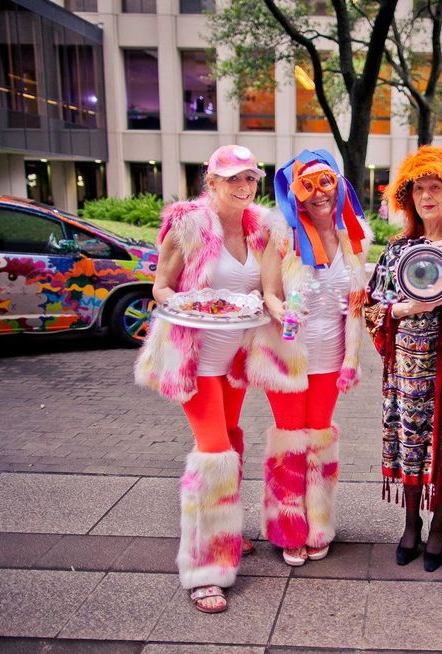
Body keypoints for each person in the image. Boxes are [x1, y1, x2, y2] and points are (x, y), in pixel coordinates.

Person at [134, 145, 269, 614]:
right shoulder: (188, 225)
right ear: (210, 183)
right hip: (196, 361)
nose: (243, 186)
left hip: (234, 360)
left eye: (249, 177)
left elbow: (264, 289)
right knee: (213, 453)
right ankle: (205, 569)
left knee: (230, 438)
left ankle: (225, 530)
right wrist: (186, 304)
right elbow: (161, 287)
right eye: (232, 178)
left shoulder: (259, 227)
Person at [363, 146, 442, 572]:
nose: (426, 196)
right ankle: (410, 523)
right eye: (418, 189)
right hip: (406, 367)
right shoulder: (399, 246)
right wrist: (405, 309)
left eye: (435, 187)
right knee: (411, 442)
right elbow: (372, 307)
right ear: (408, 198)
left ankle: (439, 526)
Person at [253, 149, 371, 567]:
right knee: (290, 439)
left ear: (339, 187)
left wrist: (352, 358)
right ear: (296, 193)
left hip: (331, 357)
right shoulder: (284, 236)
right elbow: (269, 292)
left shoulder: (354, 238)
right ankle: (288, 527)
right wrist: (281, 310)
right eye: (308, 186)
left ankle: (318, 523)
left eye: (326, 183)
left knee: (319, 439)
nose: (319, 194)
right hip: (286, 356)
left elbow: (356, 305)